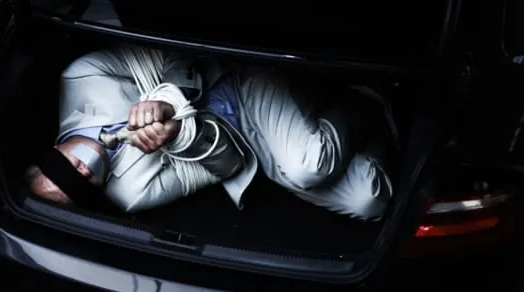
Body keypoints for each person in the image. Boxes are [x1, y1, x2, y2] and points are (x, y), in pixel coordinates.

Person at [28, 44, 396, 220]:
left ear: (53, 149)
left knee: (309, 166)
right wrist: (179, 135)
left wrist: (165, 101)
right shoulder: (132, 194)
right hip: (245, 138)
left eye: (66, 168)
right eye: (79, 188)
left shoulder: (84, 78)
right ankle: (355, 116)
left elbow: (176, 52)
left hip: (236, 76)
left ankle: (366, 99)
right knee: (369, 200)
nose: (83, 172)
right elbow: (229, 164)